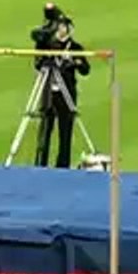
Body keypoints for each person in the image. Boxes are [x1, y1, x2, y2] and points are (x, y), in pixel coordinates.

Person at [36, 17, 90, 168]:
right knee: (45, 131)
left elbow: (85, 70)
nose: (60, 29)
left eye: (63, 26)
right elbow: (38, 64)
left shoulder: (75, 47)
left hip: (66, 94)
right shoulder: (49, 46)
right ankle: (41, 163)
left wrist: (74, 61)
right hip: (49, 94)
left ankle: (63, 165)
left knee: (65, 132)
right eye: (58, 26)